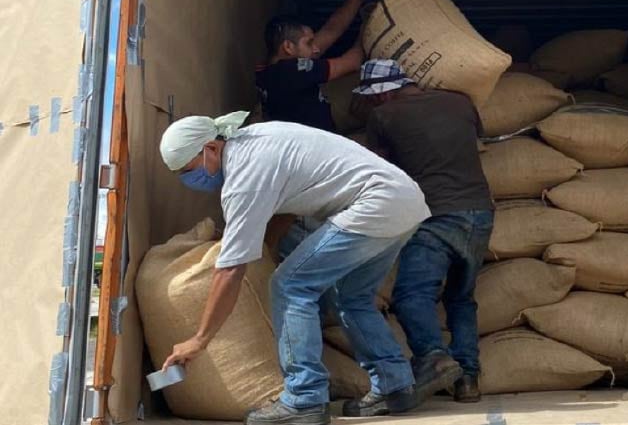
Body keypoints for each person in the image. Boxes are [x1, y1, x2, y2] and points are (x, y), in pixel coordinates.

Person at [157, 111, 458, 425]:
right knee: (350, 296)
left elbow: (230, 270)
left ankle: (304, 398)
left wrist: (200, 339)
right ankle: (394, 385)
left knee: (289, 286)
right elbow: (287, 205)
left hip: (372, 204)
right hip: (404, 201)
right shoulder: (258, 138)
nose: (189, 180)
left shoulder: (244, 177)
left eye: (188, 170)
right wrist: (267, 248)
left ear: (211, 148)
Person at [357, 59, 495, 404]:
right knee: (461, 298)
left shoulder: (383, 116)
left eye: (373, 97)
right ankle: (467, 380)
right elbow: (475, 136)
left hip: (436, 216)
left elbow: (378, 168)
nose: (372, 104)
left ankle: (434, 359)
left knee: (410, 296)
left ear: (384, 93)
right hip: (480, 212)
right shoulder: (460, 102)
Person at [255, 0, 381, 131]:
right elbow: (353, 61)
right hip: (316, 146)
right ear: (288, 47)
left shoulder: (269, 72)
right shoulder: (294, 72)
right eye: (308, 43)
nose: (315, 49)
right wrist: (368, 25)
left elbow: (331, 29)